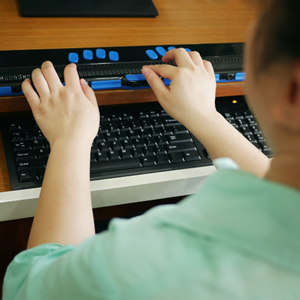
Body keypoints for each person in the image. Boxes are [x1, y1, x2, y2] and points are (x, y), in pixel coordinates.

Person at [3, 0, 300, 298]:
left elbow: (30, 285)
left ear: (292, 92)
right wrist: (206, 117)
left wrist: (69, 140)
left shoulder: (152, 262)